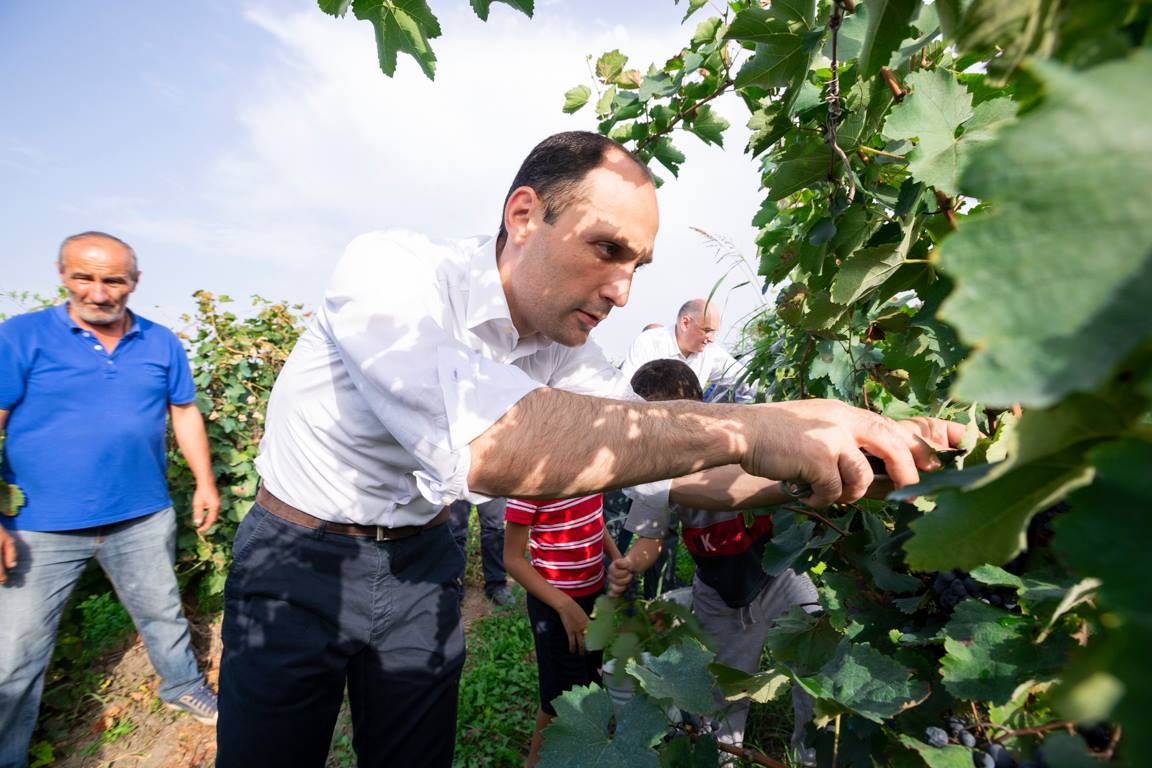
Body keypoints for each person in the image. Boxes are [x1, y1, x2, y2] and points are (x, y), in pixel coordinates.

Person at [216, 131, 961, 767]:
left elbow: (675, 467)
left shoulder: (564, 351)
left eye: (637, 266)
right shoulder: (393, 273)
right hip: (298, 560)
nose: (623, 291)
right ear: (524, 215)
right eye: (608, 249)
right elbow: (498, 444)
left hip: (422, 561)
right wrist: (757, 424)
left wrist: (834, 463)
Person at [0, 232, 221, 768]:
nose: (98, 292)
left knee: (162, 611)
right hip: (36, 526)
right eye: (84, 277)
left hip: (141, 516)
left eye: (113, 280)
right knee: (16, 653)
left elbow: (184, 412)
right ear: (62, 275)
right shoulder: (21, 336)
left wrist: (205, 481)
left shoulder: (160, 342)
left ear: (134, 282)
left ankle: (182, 686)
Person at [609, 359, 819, 764]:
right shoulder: (655, 475)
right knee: (723, 693)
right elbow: (650, 540)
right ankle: (725, 756)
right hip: (720, 594)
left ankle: (811, 756)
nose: (663, 439)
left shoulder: (739, 444)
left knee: (815, 662)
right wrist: (633, 562)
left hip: (779, 577)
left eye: (670, 425)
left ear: (700, 413)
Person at [503, 493, 620, 767]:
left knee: (589, 681)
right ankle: (535, 762)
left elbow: (594, 517)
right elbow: (512, 559)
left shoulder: (591, 474)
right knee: (560, 698)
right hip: (555, 608)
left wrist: (615, 556)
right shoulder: (530, 483)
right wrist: (565, 606)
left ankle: (582, 753)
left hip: (593, 596)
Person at [621, 298, 750, 396]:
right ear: (685, 323)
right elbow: (624, 391)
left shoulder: (710, 353)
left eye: (714, 332)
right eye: (707, 330)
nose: (712, 339)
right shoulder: (649, 343)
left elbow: (746, 380)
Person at [448, 498, 511, 605]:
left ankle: (497, 585)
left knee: (494, 529)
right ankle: (454, 587)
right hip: (457, 487)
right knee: (455, 533)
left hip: (491, 487)